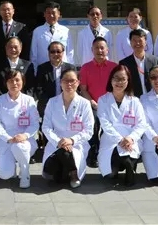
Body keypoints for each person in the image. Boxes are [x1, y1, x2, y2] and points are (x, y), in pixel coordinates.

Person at [41, 68, 94, 189]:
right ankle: (67, 172)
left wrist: (72, 140)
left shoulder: (84, 104)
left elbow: (89, 130)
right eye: (65, 81)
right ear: (60, 82)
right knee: (49, 173)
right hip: (56, 143)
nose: (69, 84)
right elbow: (46, 126)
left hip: (77, 145)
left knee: (66, 154)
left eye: (72, 81)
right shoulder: (52, 102)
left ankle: (74, 174)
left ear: (78, 83)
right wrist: (58, 141)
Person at [97, 65, 148, 187]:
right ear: (111, 80)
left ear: (128, 81)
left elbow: (141, 124)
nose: (119, 82)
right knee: (110, 175)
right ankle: (123, 163)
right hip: (110, 139)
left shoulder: (134, 101)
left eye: (123, 79)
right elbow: (105, 124)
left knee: (128, 153)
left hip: (131, 140)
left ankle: (129, 165)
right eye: (116, 78)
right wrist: (120, 140)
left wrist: (130, 138)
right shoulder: (103, 100)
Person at [0, 70, 40, 188]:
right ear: (6, 83)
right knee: (4, 174)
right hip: (6, 140)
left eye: (17, 80)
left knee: (19, 146)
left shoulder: (29, 100)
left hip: (25, 141)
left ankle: (25, 173)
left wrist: (25, 135)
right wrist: (8, 138)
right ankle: (12, 166)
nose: (14, 83)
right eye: (10, 80)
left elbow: (34, 123)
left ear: (23, 82)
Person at [79, 37, 118, 167]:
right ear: (92, 50)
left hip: (110, 104)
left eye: (102, 48)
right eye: (96, 48)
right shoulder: (86, 67)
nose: (99, 50)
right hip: (92, 104)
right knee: (93, 123)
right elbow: (83, 89)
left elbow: (117, 88)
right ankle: (93, 152)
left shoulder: (114, 67)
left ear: (107, 50)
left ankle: (109, 152)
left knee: (108, 127)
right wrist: (92, 102)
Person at [34, 42, 77, 117]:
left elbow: (74, 87)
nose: (55, 54)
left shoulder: (71, 68)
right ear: (48, 53)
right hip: (48, 104)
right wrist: (50, 103)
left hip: (67, 103)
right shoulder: (42, 68)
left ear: (63, 53)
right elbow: (39, 89)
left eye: (58, 51)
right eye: (52, 52)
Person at [30, 1, 74, 70]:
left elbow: (70, 54)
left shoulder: (65, 31)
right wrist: (35, 71)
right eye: (48, 13)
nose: (51, 15)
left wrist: (70, 71)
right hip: (43, 69)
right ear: (44, 14)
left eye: (53, 13)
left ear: (58, 14)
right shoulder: (37, 31)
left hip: (63, 70)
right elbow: (33, 54)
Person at [118, 29, 158, 97]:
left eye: (140, 41)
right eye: (134, 41)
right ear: (130, 43)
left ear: (145, 42)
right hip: (133, 98)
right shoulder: (124, 63)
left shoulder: (155, 61)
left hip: (153, 98)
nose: (137, 43)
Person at [0, 0, 31, 66]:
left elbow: (26, 48)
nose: (6, 12)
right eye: (3, 10)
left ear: (13, 11)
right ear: (0, 12)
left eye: (8, 9)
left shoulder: (22, 27)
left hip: (17, 64)